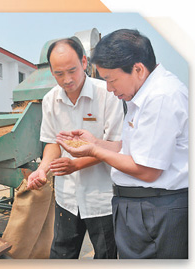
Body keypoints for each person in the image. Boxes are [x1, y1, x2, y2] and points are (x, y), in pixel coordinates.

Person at [57, 29, 188, 259]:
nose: (109, 88)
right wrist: (96, 141)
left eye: (111, 79)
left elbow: (147, 170)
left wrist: (95, 150)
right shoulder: (142, 96)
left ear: (138, 69)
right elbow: (130, 150)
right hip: (142, 209)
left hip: (156, 212)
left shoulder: (161, 98)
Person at [27, 38, 124, 259]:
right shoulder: (51, 99)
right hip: (67, 196)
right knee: (61, 253)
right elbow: (52, 142)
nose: (67, 79)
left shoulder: (107, 93)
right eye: (59, 74)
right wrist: (43, 169)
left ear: (83, 61)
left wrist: (76, 164)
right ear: (51, 71)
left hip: (101, 195)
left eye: (72, 70)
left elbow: (115, 146)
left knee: (106, 255)